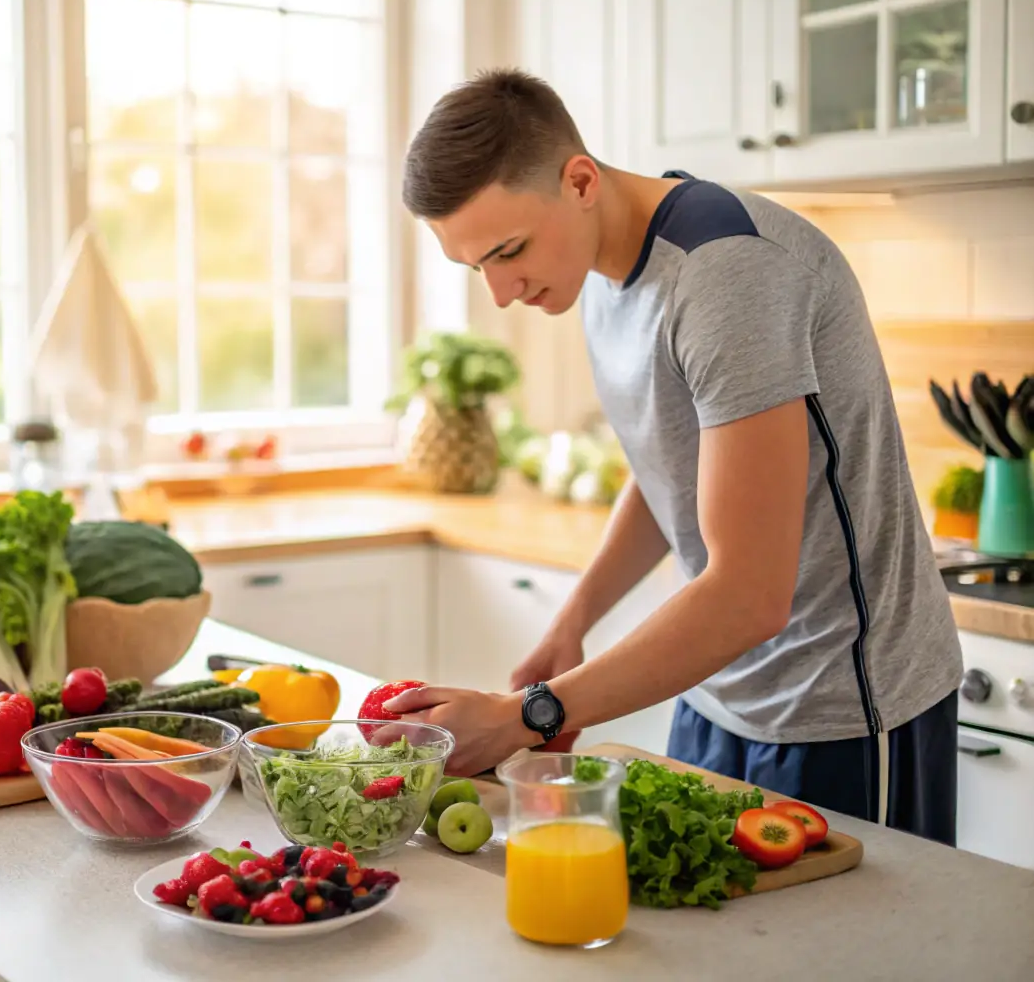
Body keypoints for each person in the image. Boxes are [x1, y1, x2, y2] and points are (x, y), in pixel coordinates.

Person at [382, 67, 963, 844]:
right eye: (475, 266)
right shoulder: (597, 272)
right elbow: (668, 466)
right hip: (716, 691)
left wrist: (529, 715)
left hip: (843, 705)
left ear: (579, 180)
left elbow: (751, 596)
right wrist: (573, 621)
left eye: (508, 250)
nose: (498, 291)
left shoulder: (728, 275)